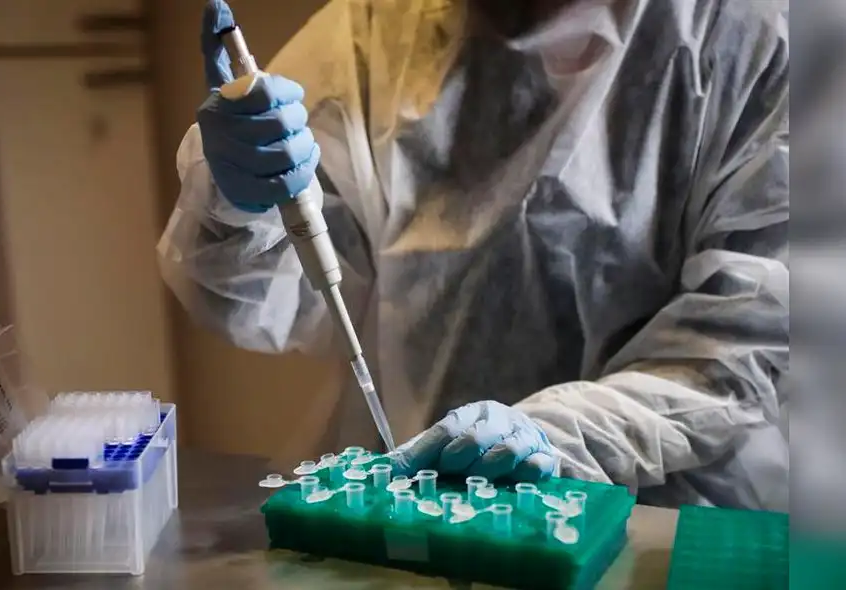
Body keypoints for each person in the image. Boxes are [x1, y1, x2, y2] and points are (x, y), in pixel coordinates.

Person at [158, 0, 789, 510]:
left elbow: (750, 343)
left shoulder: (754, 37)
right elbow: (257, 303)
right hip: (430, 506)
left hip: (672, 518)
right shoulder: (372, 34)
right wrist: (236, 205)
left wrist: (558, 436)